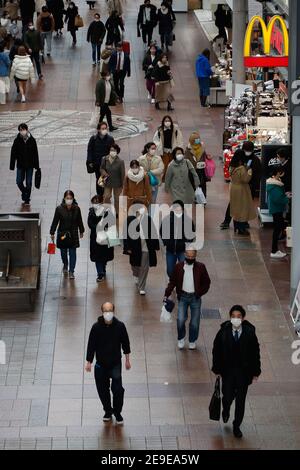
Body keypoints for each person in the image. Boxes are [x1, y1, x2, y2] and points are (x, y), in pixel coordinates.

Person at [212, 305, 261, 439]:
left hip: (243, 373)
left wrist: (256, 372)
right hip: (227, 372)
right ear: (230, 317)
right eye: (233, 316)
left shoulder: (250, 333)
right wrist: (216, 369)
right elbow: (216, 350)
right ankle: (226, 409)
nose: (236, 319)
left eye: (239, 317)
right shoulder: (223, 332)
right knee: (227, 396)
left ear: (243, 318)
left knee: (241, 401)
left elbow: (255, 353)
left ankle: (237, 425)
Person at [85, 302, 131, 425]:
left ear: (114, 311)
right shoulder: (96, 328)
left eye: (110, 310)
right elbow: (91, 345)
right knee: (102, 390)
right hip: (101, 365)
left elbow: (126, 343)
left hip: (115, 364)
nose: (108, 313)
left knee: (118, 390)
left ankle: (117, 412)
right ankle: (107, 410)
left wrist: (127, 360)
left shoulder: (120, 326)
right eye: (106, 310)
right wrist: (88, 361)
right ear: (102, 312)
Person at [164, 248, 211, 350]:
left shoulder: (201, 267)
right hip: (183, 297)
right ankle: (181, 338)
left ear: (195, 255)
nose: (190, 258)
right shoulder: (178, 267)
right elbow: (172, 282)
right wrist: (166, 294)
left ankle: (192, 340)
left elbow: (207, 282)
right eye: (188, 256)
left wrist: (199, 293)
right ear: (185, 254)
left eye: (192, 256)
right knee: (180, 319)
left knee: (195, 322)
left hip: (195, 297)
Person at [123, 201, 160, 295]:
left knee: (144, 267)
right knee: (135, 265)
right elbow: (125, 235)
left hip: (146, 247)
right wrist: (127, 247)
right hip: (134, 247)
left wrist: (155, 245)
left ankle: (141, 287)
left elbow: (153, 232)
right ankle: (135, 275)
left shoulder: (148, 219)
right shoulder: (129, 220)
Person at [50, 190, 85, 279]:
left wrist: (81, 231)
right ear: (64, 198)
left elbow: (79, 220)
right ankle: (65, 264)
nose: (69, 200)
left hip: (73, 234)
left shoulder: (77, 208)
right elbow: (55, 221)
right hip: (63, 234)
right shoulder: (59, 209)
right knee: (63, 252)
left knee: (73, 253)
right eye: (67, 198)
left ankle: (71, 271)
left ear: (73, 199)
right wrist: (52, 232)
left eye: (70, 198)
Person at [160, 200, 195, 278]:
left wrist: (186, 244)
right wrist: (167, 242)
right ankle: (173, 282)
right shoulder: (167, 220)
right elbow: (162, 232)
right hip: (170, 250)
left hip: (182, 250)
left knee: (183, 269)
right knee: (170, 270)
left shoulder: (188, 220)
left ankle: (180, 284)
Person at [10, 123, 40, 206]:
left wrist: (37, 166)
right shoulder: (17, 140)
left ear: (27, 129)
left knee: (29, 183)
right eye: (20, 130)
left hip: (30, 165)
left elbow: (35, 154)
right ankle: (25, 192)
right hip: (20, 165)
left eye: (23, 129)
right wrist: (12, 165)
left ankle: (27, 199)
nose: (22, 131)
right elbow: (13, 153)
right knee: (19, 181)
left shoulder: (32, 140)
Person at [88, 194, 115, 282]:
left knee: (104, 256)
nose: (95, 204)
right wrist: (97, 227)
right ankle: (100, 273)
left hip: (105, 237)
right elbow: (90, 223)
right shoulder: (91, 212)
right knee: (97, 257)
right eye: (94, 202)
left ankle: (103, 268)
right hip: (95, 238)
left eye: (97, 202)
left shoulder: (107, 212)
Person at [229, 150, 256, 236]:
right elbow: (245, 179)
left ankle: (236, 225)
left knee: (235, 207)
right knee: (242, 208)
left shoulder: (232, 166)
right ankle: (242, 228)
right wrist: (249, 171)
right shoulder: (242, 168)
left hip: (233, 187)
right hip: (241, 189)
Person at [267, 167, 290, 259]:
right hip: (276, 209)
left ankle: (275, 250)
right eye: (281, 173)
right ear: (277, 173)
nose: (283, 175)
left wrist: (285, 195)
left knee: (278, 229)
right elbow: (277, 199)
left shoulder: (275, 183)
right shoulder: (274, 185)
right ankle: (274, 251)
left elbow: (278, 196)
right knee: (277, 230)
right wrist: (287, 198)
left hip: (277, 209)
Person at [87, 121, 115, 196]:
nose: (104, 130)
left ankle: (106, 194)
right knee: (99, 179)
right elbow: (90, 150)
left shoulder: (110, 139)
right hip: (97, 163)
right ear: (98, 130)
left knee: (107, 179)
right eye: (103, 128)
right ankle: (100, 194)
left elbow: (114, 150)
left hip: (107, 164)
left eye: (105, 128)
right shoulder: (93, 139)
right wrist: (90, 161)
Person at [153, 115, 183, 182]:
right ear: (163, 122)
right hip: (164, 151)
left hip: (173, 151)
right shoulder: (160, 130)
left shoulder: (175, 129)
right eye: (166, 121)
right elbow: (155, 140)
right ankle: (165, 179)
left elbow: (180, 140)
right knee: (165, 165)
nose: (167, 122)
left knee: (173, 165)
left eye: (168, 121)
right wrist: (159, 146)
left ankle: (172, 178)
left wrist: (179, 149)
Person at [100, 142, 125, 218]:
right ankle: (108, 210)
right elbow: (101, 168)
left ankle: (117, 212)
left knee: (117, 199)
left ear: (117, 151)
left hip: (117, 183)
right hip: (107, 182)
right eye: (111, 150)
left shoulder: (120, 162)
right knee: (106, 197)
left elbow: (122, 174)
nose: (112, 152)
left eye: (114, 150)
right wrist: (104, 173)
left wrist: (122, 184)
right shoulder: (105, 159)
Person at [184, 132, 211, 198]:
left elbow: (205, 156)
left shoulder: (202, 148)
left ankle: (203, 199)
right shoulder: (188, 149)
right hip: (192, 170)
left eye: (198, 139)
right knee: (193, 184)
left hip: (201, 170)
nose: (197, 141)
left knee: (202, 184)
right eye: (196, 139)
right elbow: (186, 159)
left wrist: (208, 157)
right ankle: (195, 197)